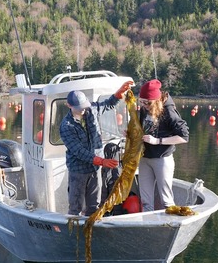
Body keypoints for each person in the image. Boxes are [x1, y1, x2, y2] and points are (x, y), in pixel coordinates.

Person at [60, 81, 134, 216]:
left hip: (95, 169)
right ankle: (73, 230)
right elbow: (78, 151)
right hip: (78, 171)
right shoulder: (66, 126)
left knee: (94, 204)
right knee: (75, 206)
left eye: (84, 106)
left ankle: (92, 229)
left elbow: (108, 104)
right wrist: (102, 161)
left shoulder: (91, 109)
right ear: (69, 105)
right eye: (79, 107)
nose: (83, 110)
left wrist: (118, 93)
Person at [138, 79, 189, 212]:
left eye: (147, 102)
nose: (144, 105)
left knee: (166, 200)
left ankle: (168, 228)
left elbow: (184, 137)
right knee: (145, 201)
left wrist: (157, 141)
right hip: (144, 158)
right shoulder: (144, 109)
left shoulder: (168, 112)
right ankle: (147, 229)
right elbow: (142, 128)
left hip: (162, 159)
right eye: (141, 101)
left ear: (155, 101)